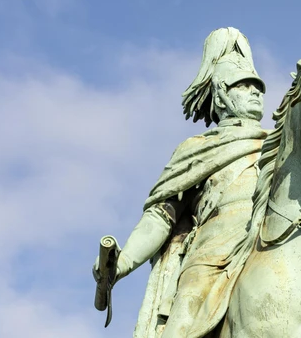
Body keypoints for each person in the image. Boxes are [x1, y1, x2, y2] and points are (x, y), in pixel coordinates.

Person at [94, 27, 268, 338]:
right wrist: (121, 264)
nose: (255, 92)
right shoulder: (198, 149)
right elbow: (161, 217)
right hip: (213, 255)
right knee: (182, 325)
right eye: (243, 85)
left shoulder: (282, 144)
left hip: (270, 241)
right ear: (222, 95)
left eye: (257, 87)